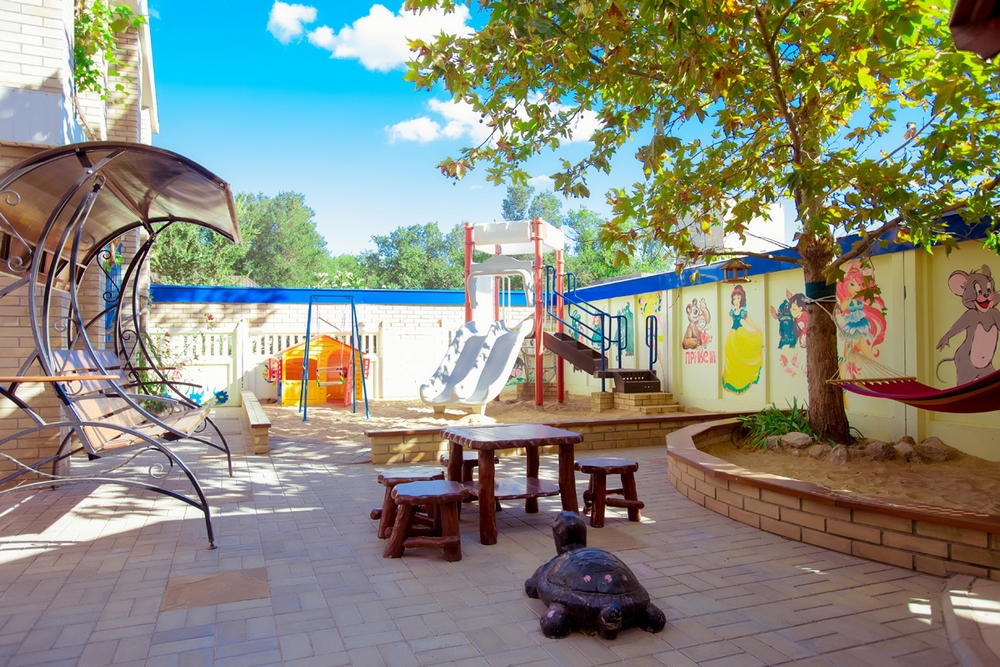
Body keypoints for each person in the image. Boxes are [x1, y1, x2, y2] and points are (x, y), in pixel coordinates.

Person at [722, 285, 763, 394]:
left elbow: (748, 320)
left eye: (738, 298)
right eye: (734, 299)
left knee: (743, 353)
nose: (736, 301)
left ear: (742, 299)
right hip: (732, 335)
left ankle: (744, 373)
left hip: (740, 333)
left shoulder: (742, 312)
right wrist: (725, 313)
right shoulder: (732, 312)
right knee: (731, 356)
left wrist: (755, 327)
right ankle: (732, 377)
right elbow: (728, 321)